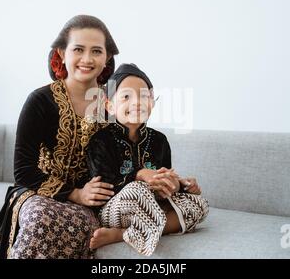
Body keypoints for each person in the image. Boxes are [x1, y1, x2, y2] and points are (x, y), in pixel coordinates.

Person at [0, 15, 120, 259]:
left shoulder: (114, 103)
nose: (87, 59)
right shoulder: (40, 100)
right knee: (40, 217)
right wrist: (75, 194)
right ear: (61, 53)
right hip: (37, 193)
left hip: (92, 205)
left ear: (108, 57)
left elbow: (128, 154)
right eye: (78, 49)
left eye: (96, 51)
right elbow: (23, 171)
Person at [86, 63, 209, 256]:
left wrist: (179, 184)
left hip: (153, 206)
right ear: (109, 104)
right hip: (115, 209)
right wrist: (140, 175)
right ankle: (142, 228)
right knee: (138, 189)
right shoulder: (101, 141)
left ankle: (122, 235)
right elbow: (104, 187)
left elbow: (164, 180)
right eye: (126, 96)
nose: (136, 103)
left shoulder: (159, 140)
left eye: (144, 96)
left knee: (199, 203)